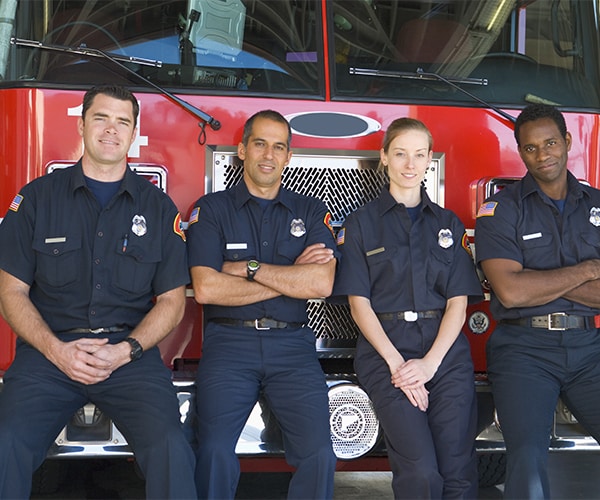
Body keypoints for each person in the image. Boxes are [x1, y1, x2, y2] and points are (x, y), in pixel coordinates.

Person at [0, 85, 196, 499]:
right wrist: (57, 351)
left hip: (129, 358)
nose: (111, 130)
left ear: (133, 132)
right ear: (82, 124)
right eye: (101, 118)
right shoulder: (35, 200)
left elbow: (172, 302)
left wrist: (124, 351)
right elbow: (11, 292)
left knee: (172, 448)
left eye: (122, 121)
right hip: (47, 357)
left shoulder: (159, 209)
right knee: (5, 445)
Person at [187, 109, 338, 499]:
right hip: (228, 346)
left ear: (289, 156)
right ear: (241, 150)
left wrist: (248, 268)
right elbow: (206, 289)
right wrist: (290, 278)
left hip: (293, 349)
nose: (268, 155)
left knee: (320, 453)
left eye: (278, 147)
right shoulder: (211, 209)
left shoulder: (310, 210)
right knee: (214, 451)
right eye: (259, 144)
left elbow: (321, 283)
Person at [333, 118, 482, 499]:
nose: (409, 164)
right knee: (420, 470)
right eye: (400, 153)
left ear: (430, 159)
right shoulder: (361, 224)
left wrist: (429, 364)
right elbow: (358, 303)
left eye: (419, 154)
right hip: (387, 354)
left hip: (445, 355)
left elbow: (457, 303)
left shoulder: (449, 224)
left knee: (458, 468)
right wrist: (400, 366)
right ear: (384, 157)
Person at [475, 103, 600, 499]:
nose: (542, 154)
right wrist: (586, 270)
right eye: (530, 148)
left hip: (589, 349)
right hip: (523, 350)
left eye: (549, 143)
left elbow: (523, 287)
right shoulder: (499, 210)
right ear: (520, 152)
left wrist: (536, 280)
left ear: (566, 142)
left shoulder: (598, 204)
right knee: (527, 457)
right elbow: (510, 292)